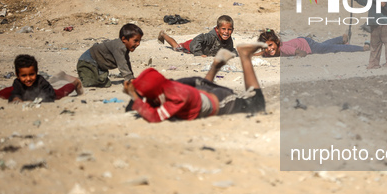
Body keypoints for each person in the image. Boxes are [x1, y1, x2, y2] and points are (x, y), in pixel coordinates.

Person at [123, 43, 267, 122]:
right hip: (197, 90)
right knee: (201, 85)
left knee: (257, 104)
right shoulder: (167, 86)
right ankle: (215, 66)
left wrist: (135, 98)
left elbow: (154, 116)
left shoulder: (176, 97)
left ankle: (245, 56)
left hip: (219, 99)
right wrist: (133, 91)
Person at [77, 23, 142, 88]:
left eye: (139, 41)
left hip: (99, 65)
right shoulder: (119, 47)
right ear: (124, 39)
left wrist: (131, 77)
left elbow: (126, 62)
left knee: (105, 83)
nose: (138, 44)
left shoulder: (124, 47)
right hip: (87, 61)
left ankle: (88, 76)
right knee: (89, 83)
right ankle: (76, 80)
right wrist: (129, 78)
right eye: (135, 41)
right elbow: (122, 64)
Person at [0, 54, 83, 103]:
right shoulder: (17, 82)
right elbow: (15, 93)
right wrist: (16, 98)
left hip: (47, 93)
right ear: (17, 75)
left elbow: (49, 97)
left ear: (36, 72)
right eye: (24, 76)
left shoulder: (41, 81)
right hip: (26, 92)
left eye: (31, 74)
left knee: (61, 93)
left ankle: (75, 83)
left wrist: (34, 100)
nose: (28, 79)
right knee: (2, 93)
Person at [157, 15, 237, 57]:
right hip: (191, 45)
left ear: (232, 30)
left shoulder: (228, 39)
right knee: (176, 46)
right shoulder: (210, 37)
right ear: (217, 29)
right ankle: (163, 34)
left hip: (204, 50)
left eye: (229, 29)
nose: (226, 32)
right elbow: (198, 39)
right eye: (223, 29)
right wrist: (199, 53)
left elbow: (230, 49)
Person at [258, 29, 368, 58]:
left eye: (270, 46)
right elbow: (264, 53)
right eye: (265, 48)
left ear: (277, 42)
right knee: (325, 46)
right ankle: (341, 38)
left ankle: (362, 48)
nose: (268, 49)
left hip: (309, 47)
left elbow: (302, 53)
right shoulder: (275, 49)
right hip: (304, 41)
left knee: (334, 48)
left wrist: (297, 57)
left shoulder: (284, 49)